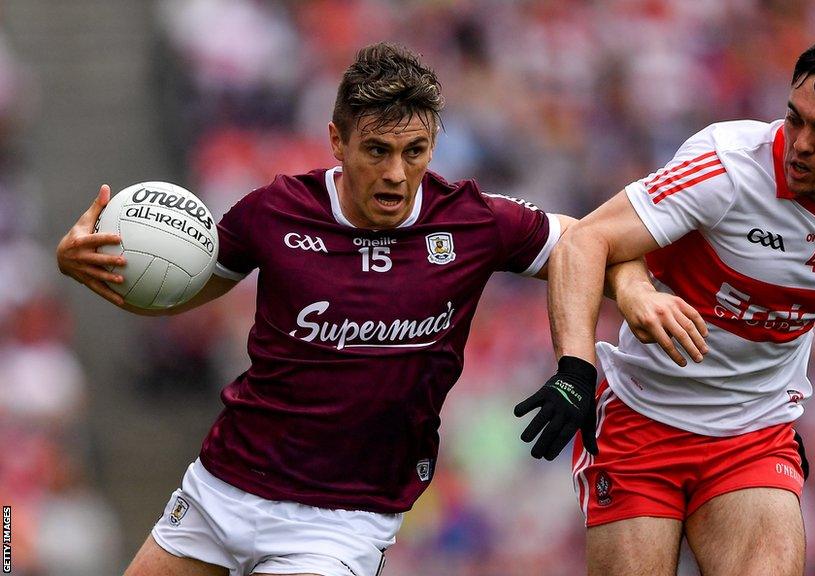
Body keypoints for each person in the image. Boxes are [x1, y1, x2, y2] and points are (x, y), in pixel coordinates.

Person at [56, 42, 621, 576]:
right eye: (378, 150)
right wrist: (88, 265)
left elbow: (589, 240)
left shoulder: (471, 222)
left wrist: (629, 301)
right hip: (222, 486)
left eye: (415, 151)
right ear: (337, 140)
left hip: (342, 520)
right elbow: (179, 289)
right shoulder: (274, 212)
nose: (397, 172)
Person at [519, 21, 815, 576]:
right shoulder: (727, 167)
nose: (800, 144)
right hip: (642, 422)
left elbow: (785, 309)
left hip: (753, 436)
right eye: (794, 118)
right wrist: (575, 370)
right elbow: (588, 238)